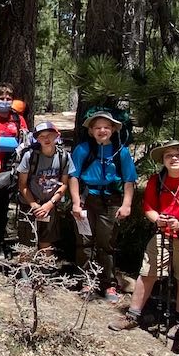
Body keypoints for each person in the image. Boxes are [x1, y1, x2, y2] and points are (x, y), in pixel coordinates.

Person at [112, 142, 179, 333]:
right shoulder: (157, 180)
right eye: (169, 155)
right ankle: (133, 314)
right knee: (147, 273)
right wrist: (158, 220)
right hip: (162, 234)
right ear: (163, 160)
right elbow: (149, 206)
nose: (174, 158)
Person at [69, 108, 137, 302]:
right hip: (86, 199)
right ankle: (86, 281)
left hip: (111, 201)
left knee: (106, 244)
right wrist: (75, 202)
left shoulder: (121, 152)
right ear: (91, 130)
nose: (102, 130)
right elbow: (73, 177)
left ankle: (108, 283)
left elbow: (129, 180)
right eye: (97, 127)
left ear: (113, 129)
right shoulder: (83, 149)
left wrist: (127, 204)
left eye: (106, 127)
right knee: (84, 242)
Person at [0, 83, 30, 258]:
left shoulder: (17, 119)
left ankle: (6, 243)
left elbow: (26, 139)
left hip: (13, 168)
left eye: (8, 99)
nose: (4, 101)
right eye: (1, 98)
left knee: (7, 206)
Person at [17, 121, 72, 254]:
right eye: (41, 136)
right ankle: (25, 272)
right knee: (26, 242)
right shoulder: (30, 156)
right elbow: (22, 184)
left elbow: (64, 184)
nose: (46, 139)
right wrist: (34, 205)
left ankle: (44, 271)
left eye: (49, 135)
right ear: (36, 139)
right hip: (29, 205)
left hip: (50, 205)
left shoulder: (64, 157)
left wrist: (50, 204)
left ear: (56, 136)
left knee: (46, 240)